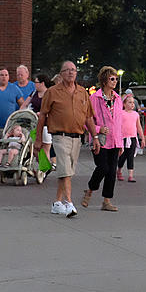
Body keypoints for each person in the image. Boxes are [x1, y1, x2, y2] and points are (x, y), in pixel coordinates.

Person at [36, 61, 96, 217]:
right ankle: (69, 203)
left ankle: (57, 202)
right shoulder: (52, 92)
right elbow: (42, 115)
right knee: (65, 170)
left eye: (73, 70)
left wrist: (94, 136)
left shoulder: (83, 92)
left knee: (66, 172)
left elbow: (88, 117)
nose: (71, 73)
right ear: (61, 73)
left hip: (77, 137)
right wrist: (38, 140)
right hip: (60, 136)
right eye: (67, 70)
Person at [83, 66, 125, 212]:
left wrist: (121, 142)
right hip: (99, 140)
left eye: (116, 79)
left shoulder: (118, 99)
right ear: (104, 80)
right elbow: (86, 120)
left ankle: (106, 201)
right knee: (103, 167)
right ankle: (89, 190)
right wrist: (99, 128)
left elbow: (120, 122)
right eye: (112, 79)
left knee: (112, 171)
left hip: (115, 140)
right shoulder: (95, 98)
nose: (114, 81)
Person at [28, 73, 54, 168]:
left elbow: (53, 109)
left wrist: (42, 113)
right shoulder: (34, 92)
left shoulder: (49, 93)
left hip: (46, 124)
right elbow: (26, 103)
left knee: (45, 148)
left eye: (36, 82)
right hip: (34, 123)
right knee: (34, 148)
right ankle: (43, 166)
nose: (34, 84)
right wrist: (21, 112)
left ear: (42, 83)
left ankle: (45, 168)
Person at [117, 93, 145, 182]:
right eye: (129, 102)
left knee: (130, 156)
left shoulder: (135, 114)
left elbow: (138, 126)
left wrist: (142, 138)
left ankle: (130, 175)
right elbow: (117, 126)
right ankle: (119, 170)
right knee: (122, 156)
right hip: (123, 138)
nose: (132, 104)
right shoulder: (121, 113)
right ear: (124, 104)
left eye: (133, 102)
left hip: (133, 137)